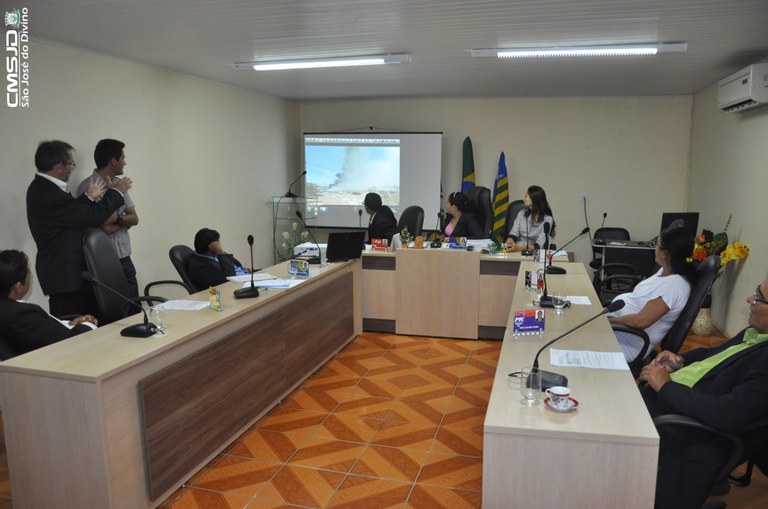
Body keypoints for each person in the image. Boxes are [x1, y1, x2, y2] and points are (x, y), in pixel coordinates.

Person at [637, 280, 768, 509]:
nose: (750, 300)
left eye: (759, 297)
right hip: (675, 403)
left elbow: (728, 414)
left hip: (691, 432)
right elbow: (712, 355)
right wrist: (679, 361)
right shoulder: (756, 334)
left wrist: (666, 387)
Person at [26, 140, 131, 317]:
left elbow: (71, 216)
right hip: (64, 276)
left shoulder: (44, 187)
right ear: (59, 167)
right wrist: (116, 192)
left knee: (90, 323)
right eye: (71, 164)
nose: (72, 169)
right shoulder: (48, 193)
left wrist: (88, 198)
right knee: (73, 328)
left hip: (68, 274)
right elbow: (92, 217)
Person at [607, 226, 694, 361]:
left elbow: (641, 321)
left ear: (665, 254)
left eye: (657, 245)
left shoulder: (674, 285)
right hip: (618, 332)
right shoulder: (664, 271)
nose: (655, 248)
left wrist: (608, 321)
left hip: (627, 344)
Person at [0, 250, 97, 356]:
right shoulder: (20, 315)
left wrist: (70, 324)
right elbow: (69, 340)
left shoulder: (9, 308)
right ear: (18, 287)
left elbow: (46, 331)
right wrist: (88, 324)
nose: (31, 280)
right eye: (29, 277)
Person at [76, 139, 140, 298]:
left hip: (125, 257)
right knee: (115, 308)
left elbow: (134, 218)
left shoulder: (119, 184)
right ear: (113, 161)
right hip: (103, 261)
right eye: (122, 158)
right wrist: (122, 221)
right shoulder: (88, 187)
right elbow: (104, 228)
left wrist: (117, 219)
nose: (124, 162)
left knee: (135, 305)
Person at [505, 185, 556, 251]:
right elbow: (513, 234)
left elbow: (539, 244)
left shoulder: (547, 219)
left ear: (534, 199)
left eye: (526, 197)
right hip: (517, 249)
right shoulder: (522, 213)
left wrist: (518, 248)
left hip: (535, 251)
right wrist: (509, 242)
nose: (524, 199)